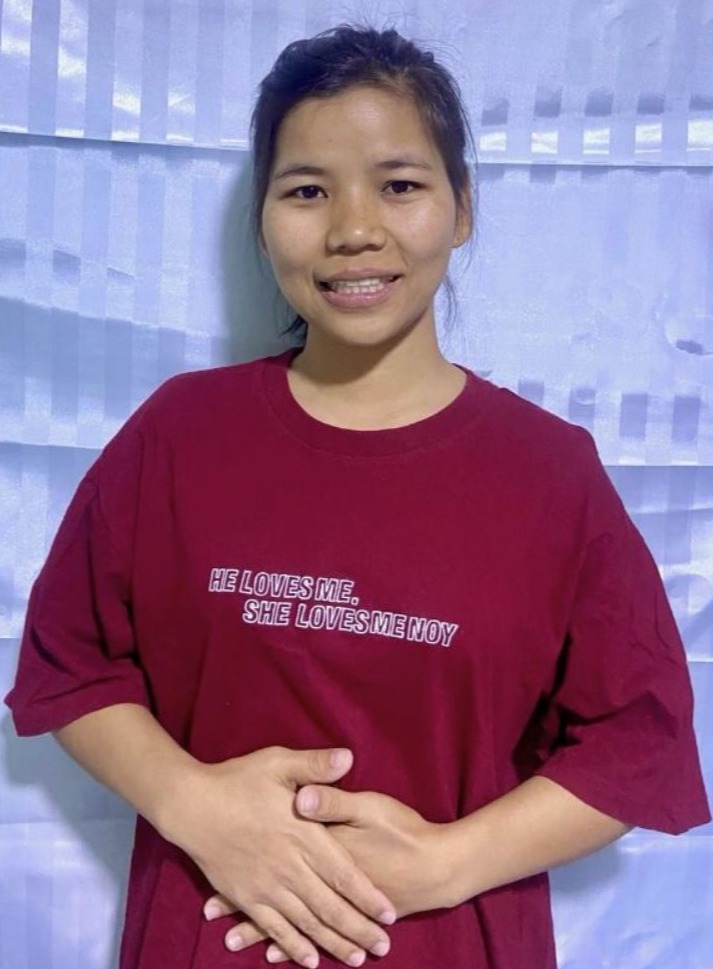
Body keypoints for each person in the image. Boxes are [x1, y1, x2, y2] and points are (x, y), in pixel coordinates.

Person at [5, 23, 710, 969]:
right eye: (306, 190)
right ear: (262, 217)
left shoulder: (549, 473)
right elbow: (68, 665)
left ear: (462, 207)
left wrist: (445, 863)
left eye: (399, 184)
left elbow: (639, 739)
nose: (353, 229)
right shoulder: (181, 434)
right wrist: (190, 802)